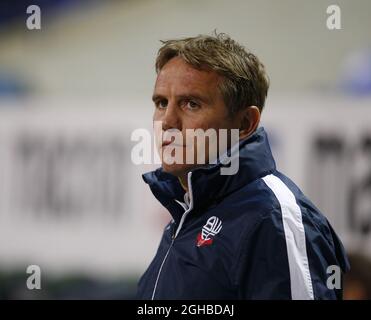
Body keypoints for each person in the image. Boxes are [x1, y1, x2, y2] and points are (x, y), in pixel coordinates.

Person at [136, 32, 350, 300]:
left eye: (191, 104)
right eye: (161, 103)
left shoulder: (273, 219)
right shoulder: (186, 212)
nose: (167, 121)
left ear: (245, 123)